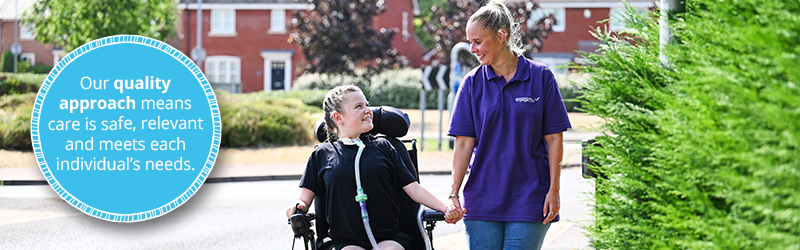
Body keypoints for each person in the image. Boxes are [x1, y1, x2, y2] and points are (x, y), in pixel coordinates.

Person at [446, 0, 573, 249]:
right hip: (482, 198)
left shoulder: (541, 77)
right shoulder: (472, 84)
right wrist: (453, 194)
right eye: (469, 41)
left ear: (501, 36)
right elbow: (463, 144)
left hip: (530, 196)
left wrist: (554, 190)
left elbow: (554, 139)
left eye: (478, 41)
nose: (472, 49)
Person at [286, 85, 461, 250]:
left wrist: (445, 208)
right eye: (358, 106)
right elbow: (304, 199)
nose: (368, 110)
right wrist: (298, 207)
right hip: (344, 241)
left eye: (367, 104)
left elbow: (414, 188)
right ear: (338, 118)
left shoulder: (383, 147)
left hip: (389, 237)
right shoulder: (322, 154)